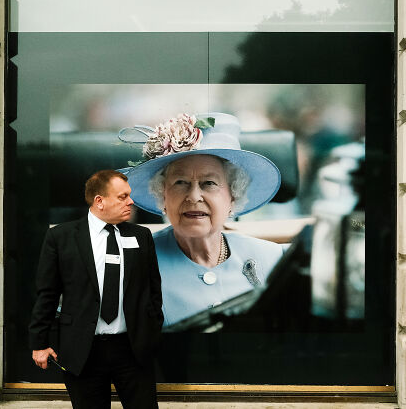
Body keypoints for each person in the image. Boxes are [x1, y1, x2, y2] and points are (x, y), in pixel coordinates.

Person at [120, 113, 283, 327]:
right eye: (180, 182)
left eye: (209, 183)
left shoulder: (272, 259)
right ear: (163, 195)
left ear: (233, 196)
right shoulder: (130, 267)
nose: (194, 196)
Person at [29, 170, 163, 408]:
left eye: (129, 196)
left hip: (131, 349)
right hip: (83, 349)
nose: (131, 202)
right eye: (122, 197)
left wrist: (150, 330)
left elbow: (154, 289)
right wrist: (39, 342)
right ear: (99, 201)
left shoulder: (141, 236)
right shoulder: (61, 236)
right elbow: (47, 293)